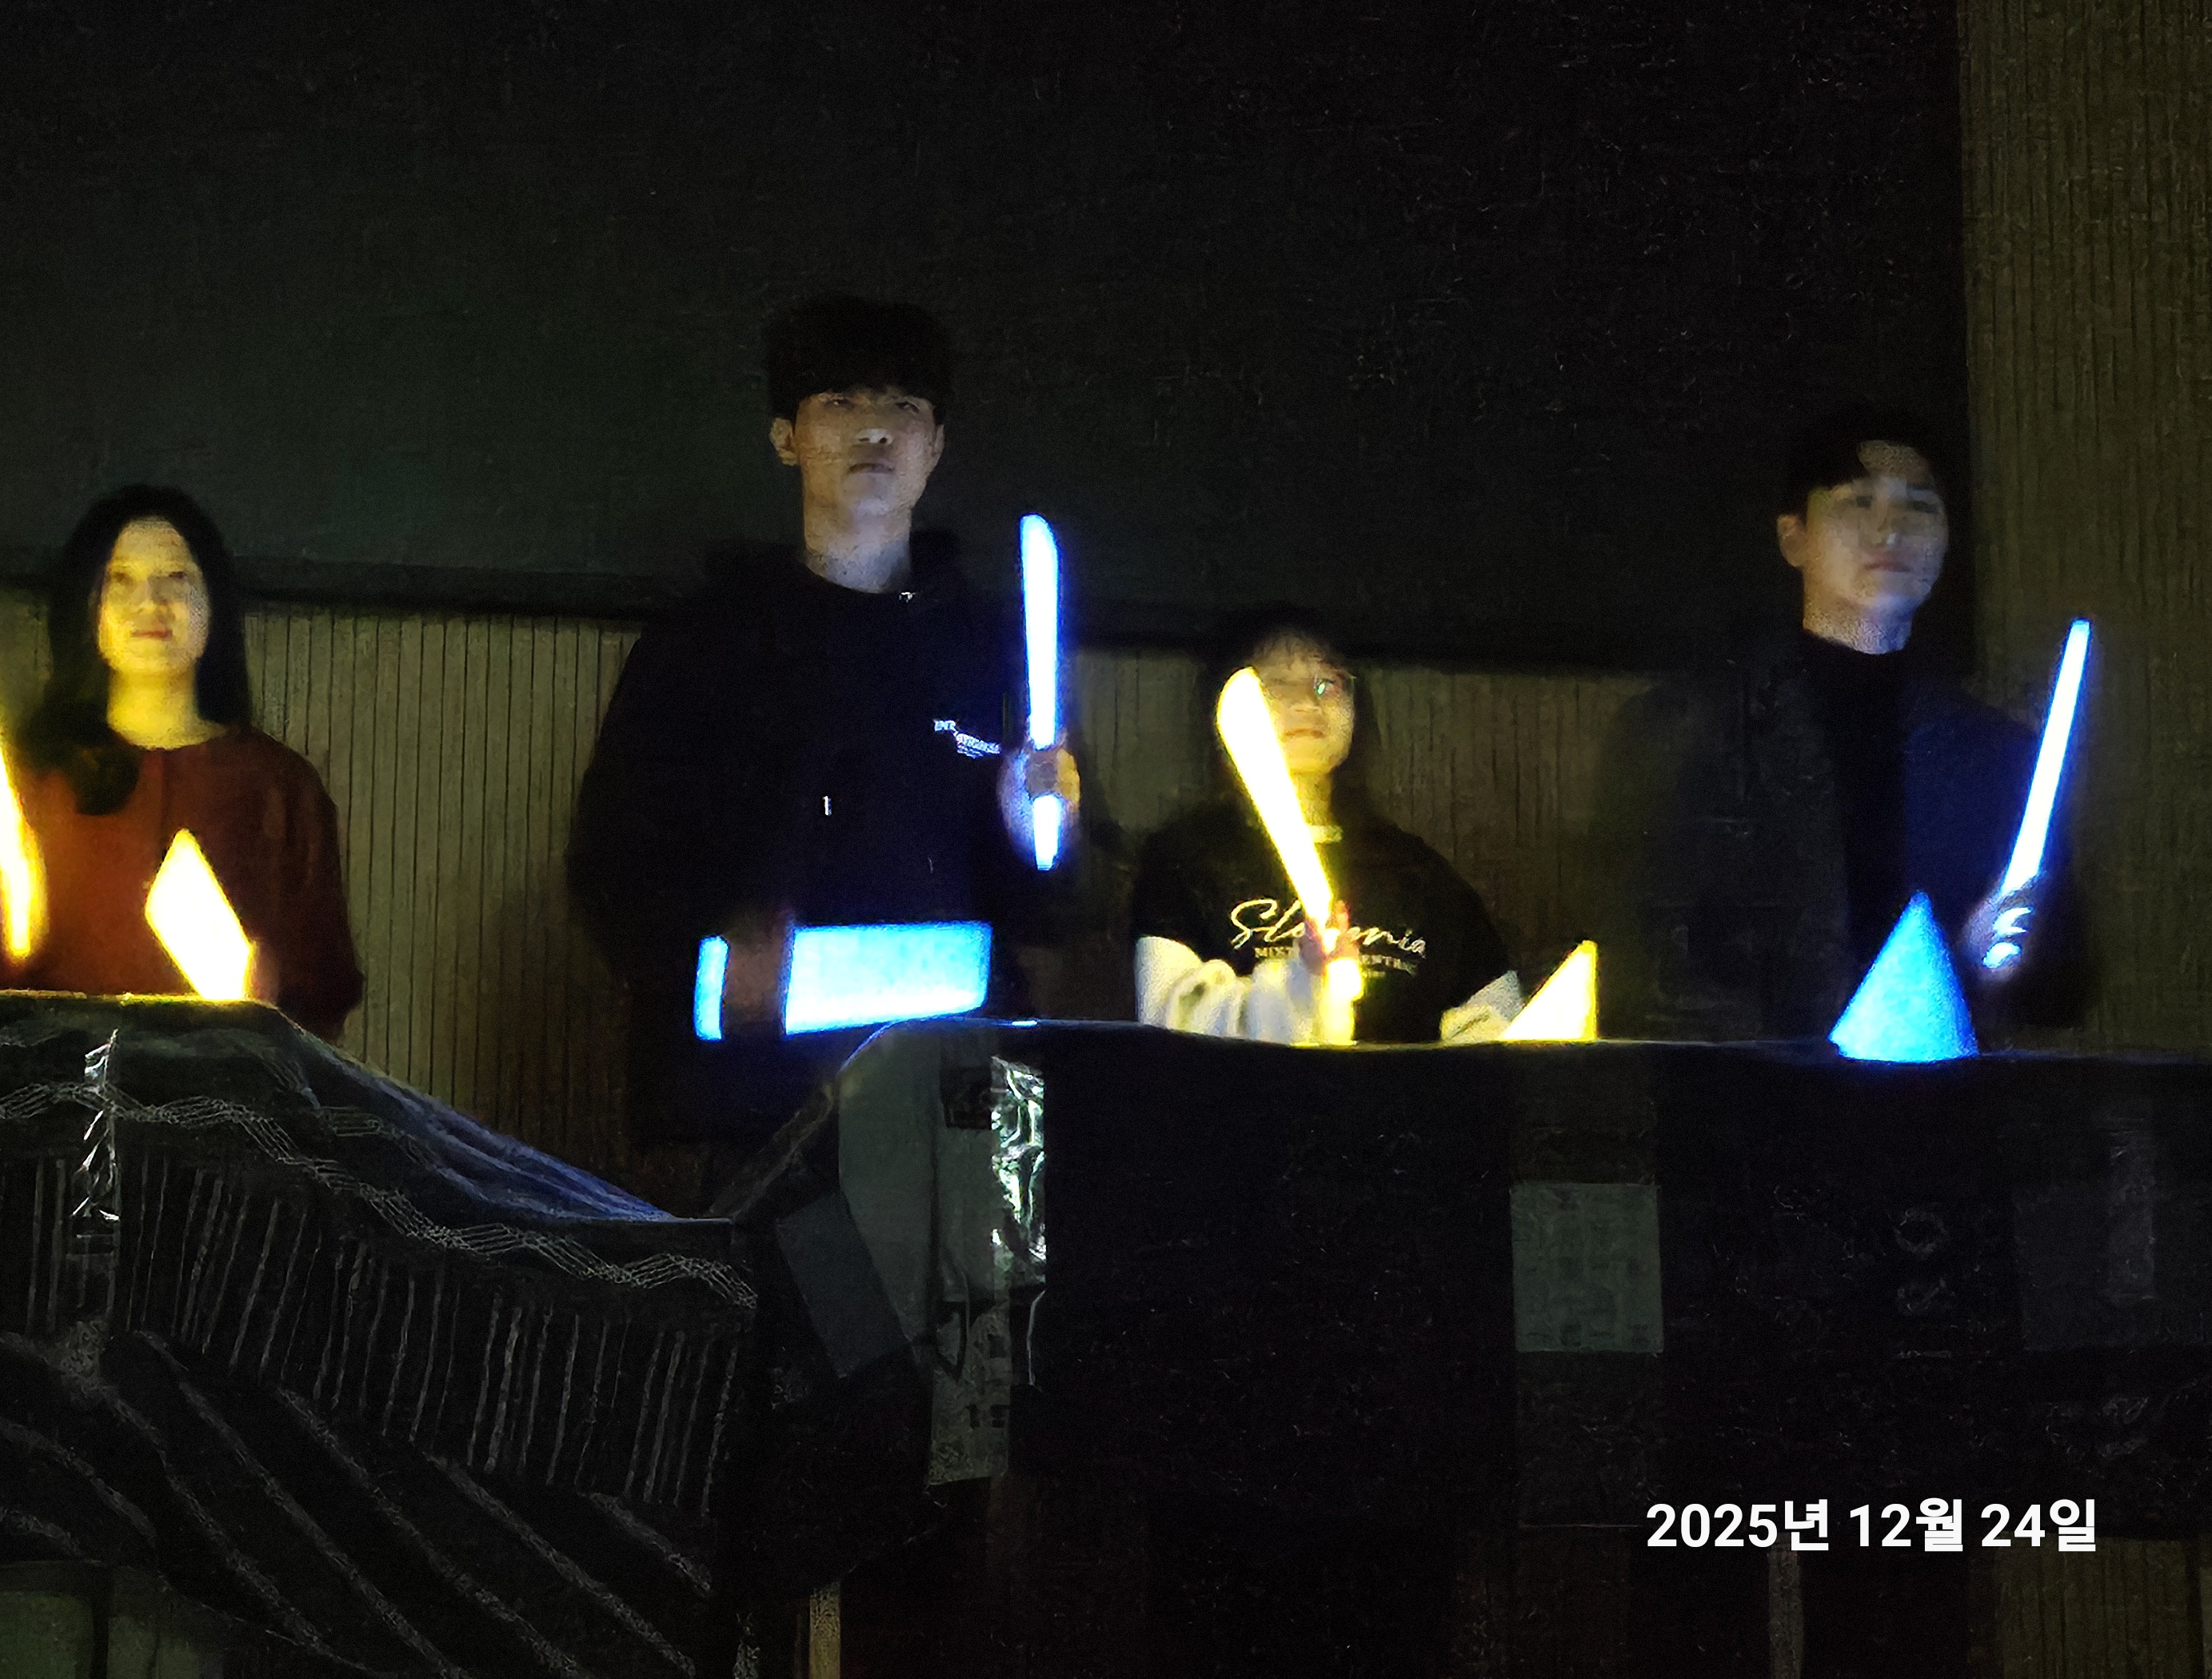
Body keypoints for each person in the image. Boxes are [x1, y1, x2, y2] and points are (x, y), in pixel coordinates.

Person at [568, 296, 1076, 1205]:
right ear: (786, 437)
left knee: (980, 1303)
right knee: (755, 1297)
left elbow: (1052, 908)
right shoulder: (704, 643)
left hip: (964, 1089)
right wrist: (716, 958)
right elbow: (610, 866)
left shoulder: (992, 649)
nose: (874, 429)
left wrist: (1036, 833)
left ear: (935, 444)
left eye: (903, 407)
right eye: (840, 402)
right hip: (749, 1097)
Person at [1600, 408, 2087, 1039]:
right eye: (1859, 502)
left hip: (1941, 1093)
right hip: (1750, 1096)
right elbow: (1648, 972)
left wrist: (1988, 961)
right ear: (1793, 537)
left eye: (1919, 507)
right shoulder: (1684, 732)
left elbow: (2060, 990)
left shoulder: (1999, 753)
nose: (1891, 529)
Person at [0, 484, 363, 1037]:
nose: (150, 603)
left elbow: (326, 987)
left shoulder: (278, 787)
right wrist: (3, 931)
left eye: (177, 577)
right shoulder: (32, 784)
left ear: (215, 603)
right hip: (57, 1080)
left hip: (218, 1083)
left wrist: (270, 994)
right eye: (120, 580)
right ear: (88, 607)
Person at [1133, 610, 1523, 1043]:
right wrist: (1300, 986)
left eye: (1327, 685)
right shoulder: (1187, 861)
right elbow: (1173, 1028)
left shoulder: (1418, 873)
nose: (1307, 704)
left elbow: (1496, 1030)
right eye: (1275, 688)